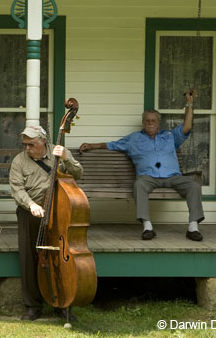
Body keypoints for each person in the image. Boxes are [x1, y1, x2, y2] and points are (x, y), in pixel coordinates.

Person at [79, 89, 204, 241]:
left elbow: (187, 126)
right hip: (148, 177)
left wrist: (189, 104)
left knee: (194, 186)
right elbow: (112, 145)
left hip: (173, 177)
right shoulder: (134, 139)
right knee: (139, 184)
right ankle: (147, 227)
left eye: (153, 121)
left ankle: (193, 228)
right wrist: (92, 145)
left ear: (159, 123)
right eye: (147, 120)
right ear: (143, 122)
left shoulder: (170, 136)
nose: (150, 123)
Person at [9, 125, 84, 321]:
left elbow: (78, 174)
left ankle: (63, 303)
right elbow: (17, 189)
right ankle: (32, 305)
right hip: (31, 211)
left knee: (59, 257)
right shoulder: (19, 161)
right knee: (29, 258)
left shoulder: (58, 153)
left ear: (43, 141)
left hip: (59, 210)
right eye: (24, 144)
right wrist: (31, 204)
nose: (27, 148)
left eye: (31, 144)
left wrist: (67, 158)